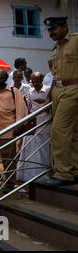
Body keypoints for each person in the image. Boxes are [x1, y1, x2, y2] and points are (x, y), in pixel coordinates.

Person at [44, 16, 78, 186]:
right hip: (58, 91)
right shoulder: (56, 48)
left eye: (54, 29)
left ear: (64, 27)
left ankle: (63, 173)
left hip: (73, 89)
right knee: (73, 133)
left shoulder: (76, 40)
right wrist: (50, 93)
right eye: (49, 30)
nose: (51, 32)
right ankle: (75, 170)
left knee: (59, 130)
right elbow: (56, 74)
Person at [0, 69, 28, 192]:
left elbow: (21, 109)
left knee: (8, 161)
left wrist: (18, 127)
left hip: (8, 132)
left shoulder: (14, 92)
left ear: (6, 78)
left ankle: (9, 185)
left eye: (1, 78)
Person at [16, 72, 51, 183]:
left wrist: (43, 103)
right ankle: (27, 176)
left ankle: (41, 175)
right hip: (32, 125)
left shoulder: (49, 90)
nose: (35, 84)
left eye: (37, 81)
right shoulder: (29, 92)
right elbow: (28, 108)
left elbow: (52, 107)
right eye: (33, 81)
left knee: (42, 151)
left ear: (41, 80)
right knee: (29, 150)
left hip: (45, 124)